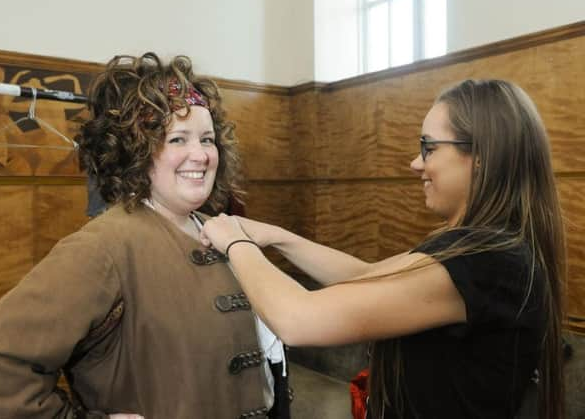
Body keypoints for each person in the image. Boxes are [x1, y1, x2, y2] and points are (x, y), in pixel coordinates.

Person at [0, 53, 289, 419]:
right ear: (137, 151)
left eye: (207, 139)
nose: (201, 155)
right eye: (177, 139)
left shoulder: (220, 229)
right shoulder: (103, 247)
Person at [200, 79, 565, 419]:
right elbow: (366, 276)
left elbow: (298, 319)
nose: (416, 162)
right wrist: (276, 236)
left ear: (481, 157)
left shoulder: (485, 261)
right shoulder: (486, 249)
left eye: (429, 147)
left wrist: (236, 242)